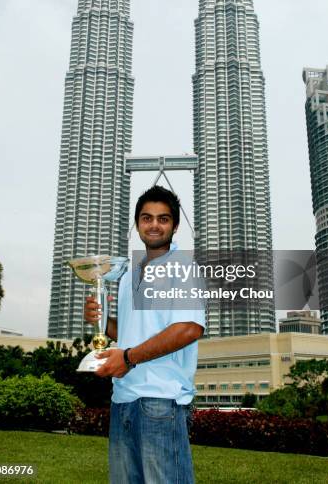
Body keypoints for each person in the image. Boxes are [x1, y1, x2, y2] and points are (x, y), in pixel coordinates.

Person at [84, 185, 205, 484]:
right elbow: (127, 333)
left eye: (163, 219)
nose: (154, 224)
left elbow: (189, 328)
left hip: (160, 401)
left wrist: (127, 357)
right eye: (146, 217)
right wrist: (101, 323)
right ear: (137, 223)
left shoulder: (183, 267)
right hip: (123, 398)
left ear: (175, 226)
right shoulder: (129, 275)